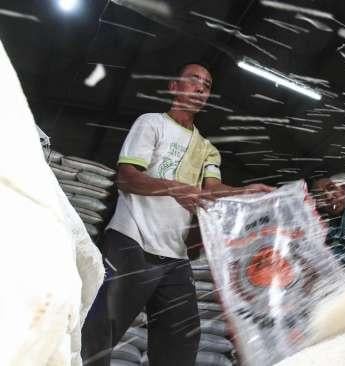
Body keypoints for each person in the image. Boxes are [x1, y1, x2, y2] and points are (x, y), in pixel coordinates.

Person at [82, 61, 273, 366]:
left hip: (175, 255)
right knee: (101, 330)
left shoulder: (207, 148)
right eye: (193, 80)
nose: (200, 88)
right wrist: (172, 188)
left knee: (181, 340)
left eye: (207, 85)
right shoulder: (151, 123)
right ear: (174, 86)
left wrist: (245, 191)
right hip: (132, 239)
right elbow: (127, 178)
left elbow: (211, 191)